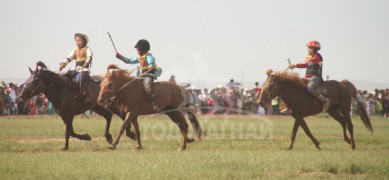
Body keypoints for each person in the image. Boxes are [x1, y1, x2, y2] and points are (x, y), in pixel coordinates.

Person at [116, 39, 161, 112]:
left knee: (148, 87)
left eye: (137, 49)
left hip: (148, 75)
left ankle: (154, 104)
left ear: (142, 49)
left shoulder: (149, 56)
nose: (136, 50)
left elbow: (151, 64)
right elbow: (129, 61)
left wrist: (150, 66)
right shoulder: (138, 57)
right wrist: (120, 57)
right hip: (141, 75)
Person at [289, 40, 330, 112]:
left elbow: (307, 64)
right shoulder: (308, 56)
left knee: (310, 88)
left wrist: (295, 65)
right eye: (308, 48)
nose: (308, 49)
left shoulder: (317, 57)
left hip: (315, 77)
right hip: (307, 77)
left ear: (315, 49)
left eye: (310, 48)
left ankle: (325, 101)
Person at [59, 33, 93, 104]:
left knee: (78, 80)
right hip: (76, 70)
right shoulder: (75, 50)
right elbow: (69, 58)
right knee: (64, 77)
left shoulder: (87, 49)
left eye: (79, 40)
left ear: (84, 41)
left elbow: (89, 57)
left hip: (84, 70)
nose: (77, 42)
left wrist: (86, 62)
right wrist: (63, 64)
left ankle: (86, 96)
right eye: (76, 41)